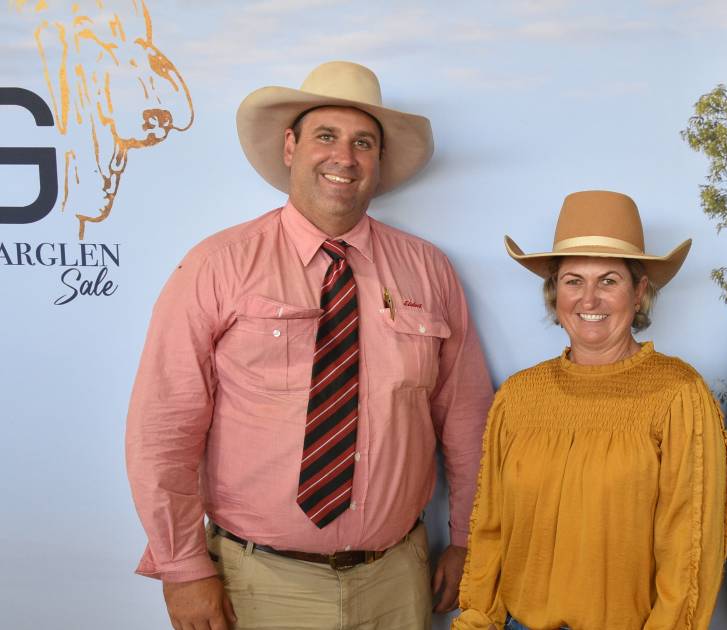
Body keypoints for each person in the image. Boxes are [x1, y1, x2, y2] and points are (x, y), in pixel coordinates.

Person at [125, 61, 493, 630]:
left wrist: (469, 538)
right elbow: (164, 425)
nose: (343, 157)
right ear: (291, 146)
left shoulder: (429, 271)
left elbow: (467, 421)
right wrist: (181, 567)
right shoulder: (219, 265)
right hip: (257, 585)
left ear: (378, 160)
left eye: (362, 142)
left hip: (396, 581)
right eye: (326, 136)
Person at [453, 190, 727, 630]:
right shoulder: (519, 396)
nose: (589, 299)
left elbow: (688, 550)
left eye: (608, 280)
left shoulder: (678, 394)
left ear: (639, 292)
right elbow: (490, 528)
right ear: (553, 293)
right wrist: (476, 619)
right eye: (573, 281)